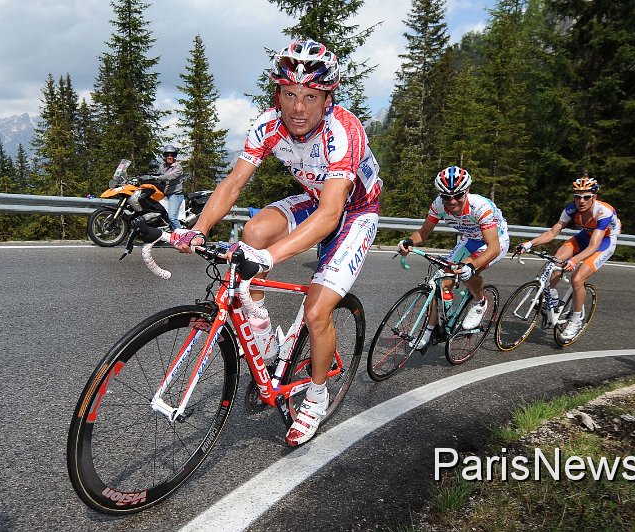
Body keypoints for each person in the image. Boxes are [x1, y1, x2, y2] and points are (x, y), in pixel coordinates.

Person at [168, 39, 382, 447]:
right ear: (278, 94)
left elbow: (331, 214)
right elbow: (233, 183)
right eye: (289, 94)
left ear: (327, 98)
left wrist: (266, 258)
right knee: (253, 233)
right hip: (314, 198)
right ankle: (263, 331)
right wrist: (197, 230)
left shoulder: (344, 131)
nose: (298, 107)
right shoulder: (268, 125)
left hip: (353, 211)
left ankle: (316, 396)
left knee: (317, 310)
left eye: (310, 96)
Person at [398, 166, 509, 349]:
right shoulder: (438, 205)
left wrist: (471, 267)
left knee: (465, 270)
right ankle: (429, 332)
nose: (452, 201)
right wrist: (409, 241)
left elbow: (494, 248)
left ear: (467, 190)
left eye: (457, 195)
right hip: (470, 240)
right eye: (446, 196)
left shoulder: (480, 207)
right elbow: (424, 233)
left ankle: (481, 302)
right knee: (438, 282)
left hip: (494, 241)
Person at [516, 176, 620, 340]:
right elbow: (552, 233)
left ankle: (576, 319)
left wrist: (574, 260)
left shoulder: (603, 212)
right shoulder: (571, 209)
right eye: (577, 196)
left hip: (603, 242)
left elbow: (593, 246)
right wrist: (529, 244)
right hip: (586, 236)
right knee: (556, 261)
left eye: (586, 197)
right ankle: (554, 299)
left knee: (577, 279)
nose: (581, 201)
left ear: (594, 197)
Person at [156, 145, 185, 230]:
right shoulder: (162, 166)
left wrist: (157, 177)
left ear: (175, 156)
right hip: (164, 194)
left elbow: (169, 176)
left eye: (172, 155)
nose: (169, 157)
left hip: (175, 195)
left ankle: (182, 236)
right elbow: (157, 176)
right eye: (167, 155)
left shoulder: (178, 167)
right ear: (164, 156)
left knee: (172, 217)